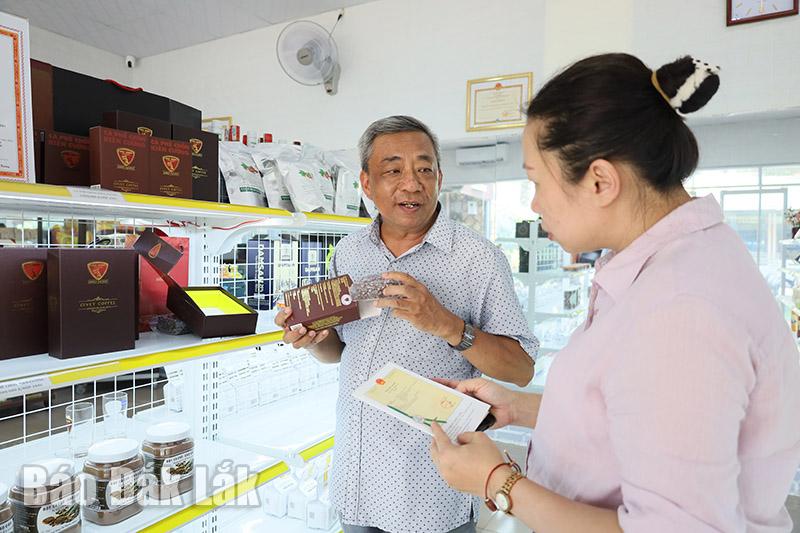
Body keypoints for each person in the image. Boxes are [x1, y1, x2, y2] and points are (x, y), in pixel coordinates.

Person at [429, 54, 800, 532]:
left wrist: (498, 482)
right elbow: (637, 419)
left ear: (601, 181)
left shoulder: (680, 312)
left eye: (536, 181)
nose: (534, 204)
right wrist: (517, 408)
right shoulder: (670, 265)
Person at [275, 115, 539, 533]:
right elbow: (338, 352)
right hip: (355, 479)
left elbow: (521, 368)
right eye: (393, 170)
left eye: (424, 169)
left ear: (439, 178)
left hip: (430, 487)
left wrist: (448, 325)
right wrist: (312, 339)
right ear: (366, 183)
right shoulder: (349, 252)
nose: (412, 184)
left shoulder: (479, 259)